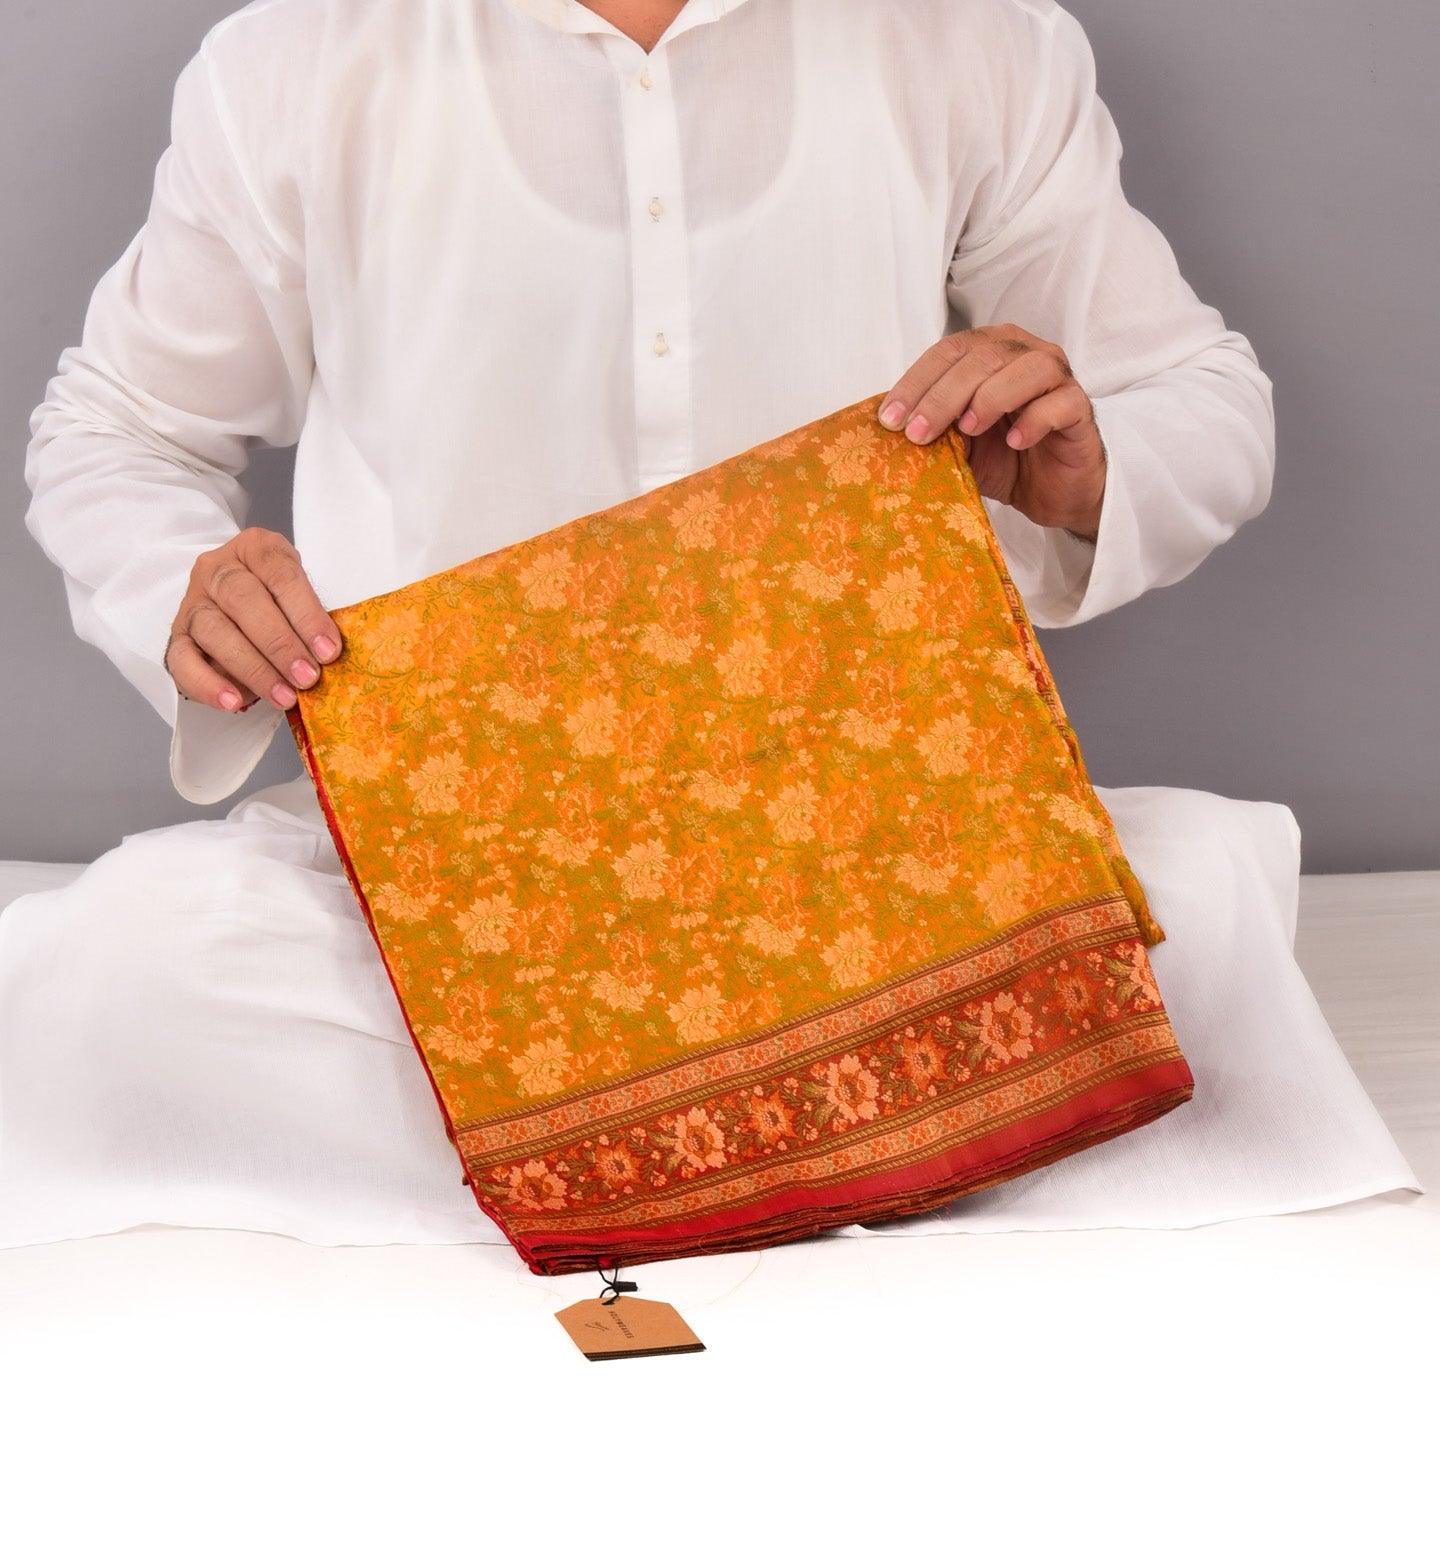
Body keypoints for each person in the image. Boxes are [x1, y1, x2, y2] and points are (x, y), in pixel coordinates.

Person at [5, 0, 1285, 1247]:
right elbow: (116, 428)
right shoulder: (297, 56)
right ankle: (891, 1130)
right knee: (127, 958)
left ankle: (626, 1144)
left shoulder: (971, 35)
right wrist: (187, 589)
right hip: (465, 860)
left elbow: (1198, 391)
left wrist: (1086, 474)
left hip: (875, 837)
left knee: (1218, 893)